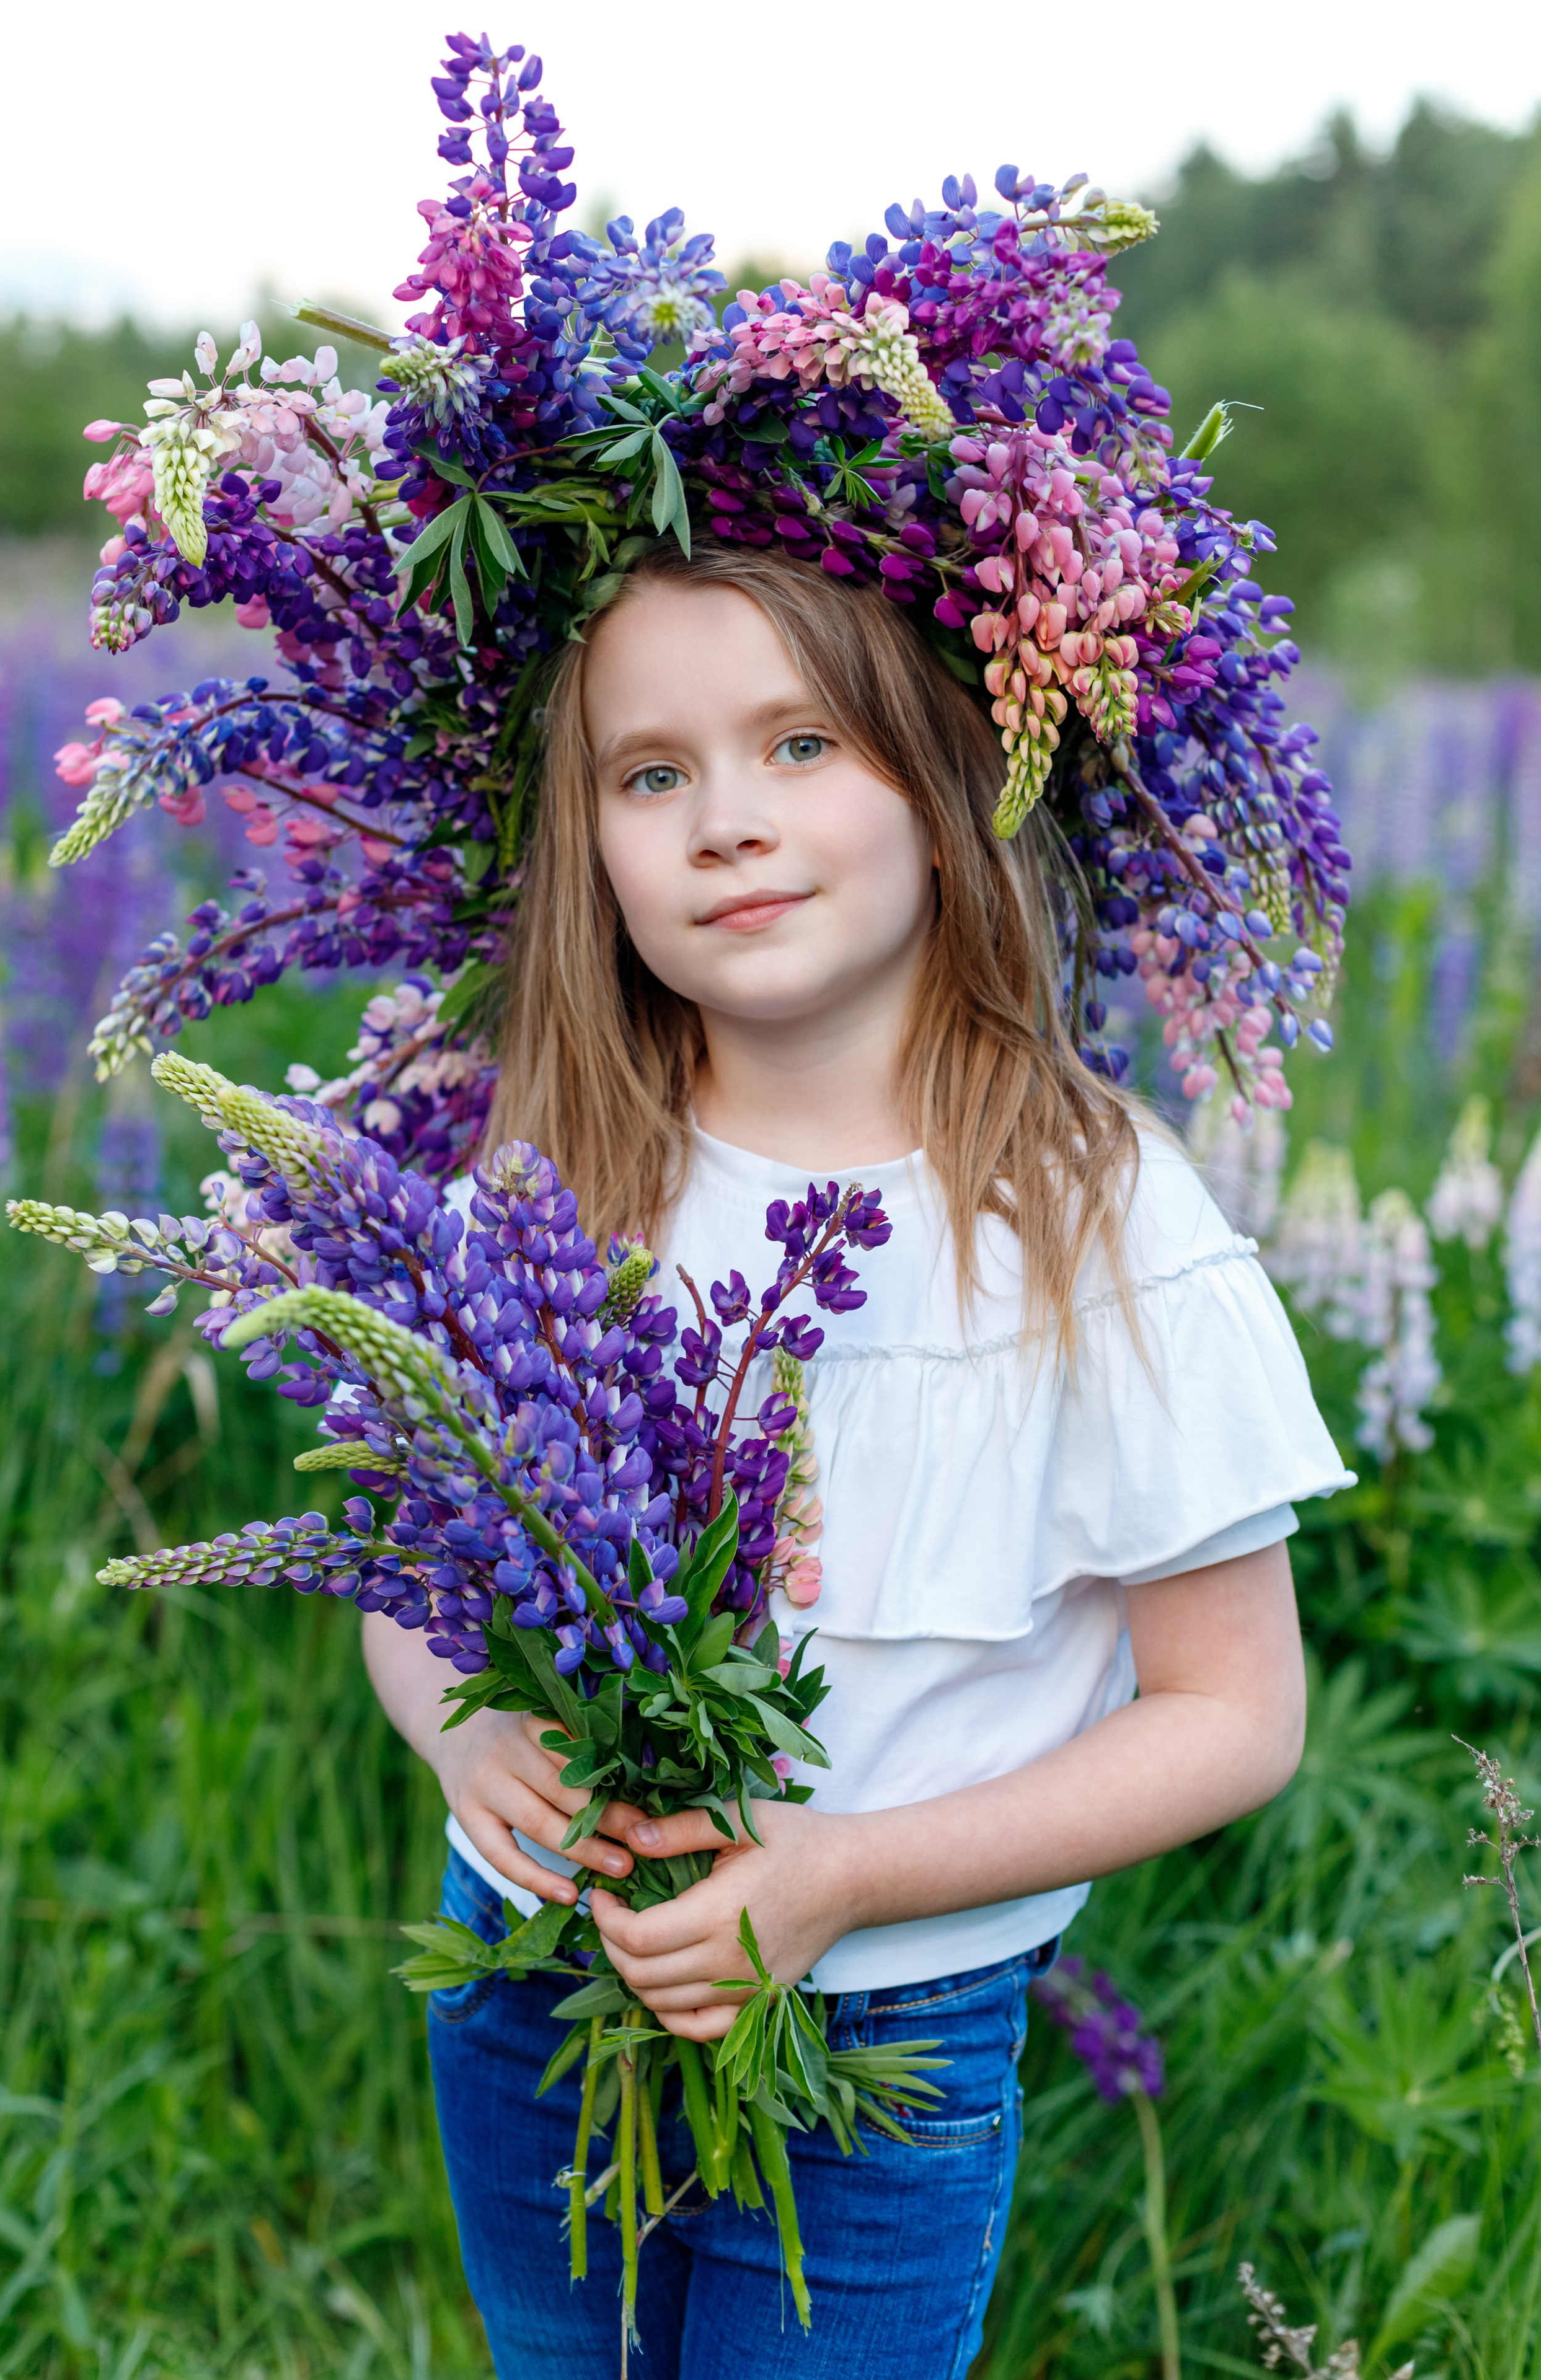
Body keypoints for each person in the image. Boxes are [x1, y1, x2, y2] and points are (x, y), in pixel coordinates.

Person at [362, 538, 1351, 2379]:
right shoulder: (554, 1176)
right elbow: (424, 1592)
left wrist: (843, 1874)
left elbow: (1235, 1713)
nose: (728, 821)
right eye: (653, 776)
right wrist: (467, 1727)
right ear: (594, 851)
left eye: (802, 744)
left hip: (885, 2035)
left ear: (944, 778)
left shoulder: (1093, 1215)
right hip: (529, 1983)